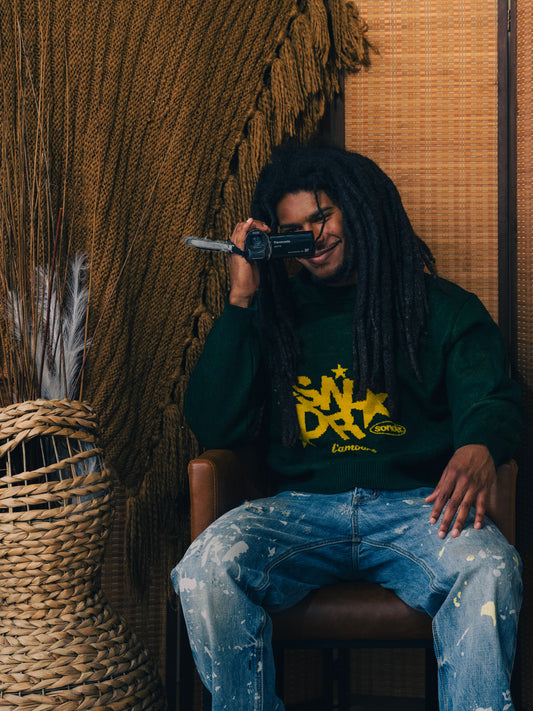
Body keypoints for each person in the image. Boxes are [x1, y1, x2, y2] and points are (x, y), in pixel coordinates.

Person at [172, 145, 523, 711]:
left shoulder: (443, 309)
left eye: (322, 217)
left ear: (360, 210)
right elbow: (214, 422)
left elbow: (495, 396)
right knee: (204, 567)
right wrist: (241, 297)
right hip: (300, 512)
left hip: (418, 509)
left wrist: (481, 442)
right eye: (293, 231)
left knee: (490, 566)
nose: (312, 238)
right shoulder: (273, 312)